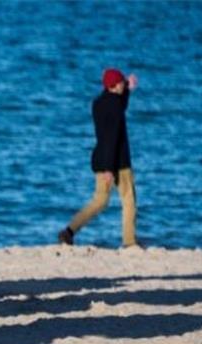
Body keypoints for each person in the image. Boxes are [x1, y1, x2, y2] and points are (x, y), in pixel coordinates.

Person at [59, 68, 139, 247]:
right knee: (129, 200)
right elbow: (113, 137)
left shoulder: (98, 103)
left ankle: (69, 230)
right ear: (114, 85)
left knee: (99, 201)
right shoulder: (116, 106)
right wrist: (110, 169)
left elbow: (117, 104)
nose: (122, 86)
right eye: (120, 84)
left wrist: (127, 87)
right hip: (117, 163)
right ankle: (130, 242)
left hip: (100, 159)